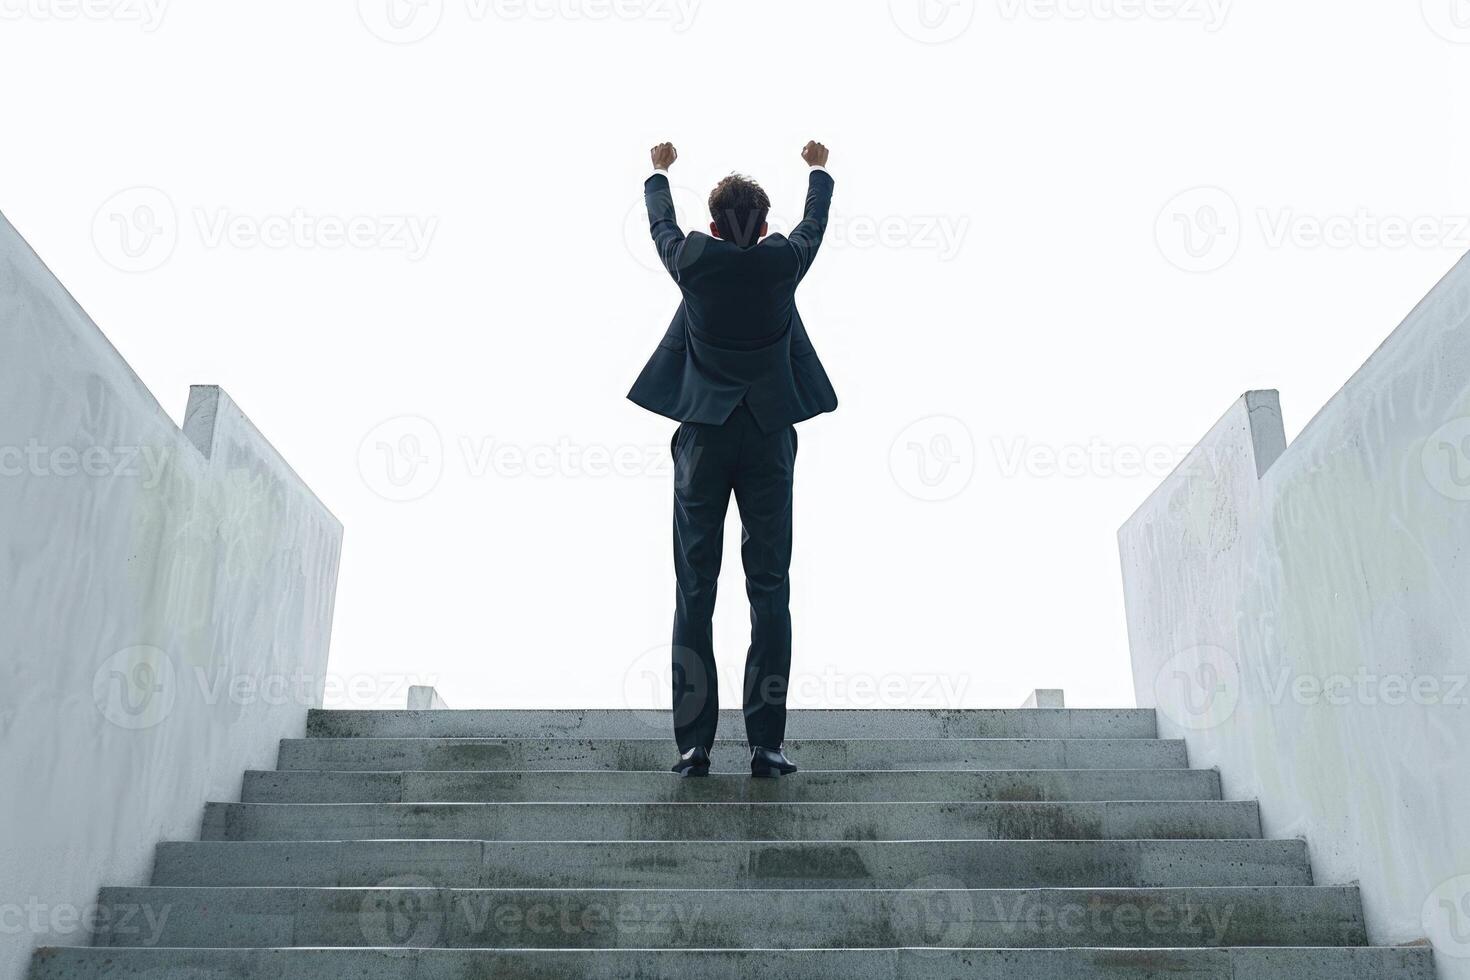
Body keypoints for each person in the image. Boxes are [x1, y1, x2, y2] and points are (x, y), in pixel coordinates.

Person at [627, 140, 838, 778]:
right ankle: (765, 745)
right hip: (769, 434)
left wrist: (660, 174)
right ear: (764, 224)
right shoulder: (780, 263)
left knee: (695, 589)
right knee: (769, 589)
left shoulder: (694, 260)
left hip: (703, 438)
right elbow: (813, 228)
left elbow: (661, 227)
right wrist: (819, 171)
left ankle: (694, 746)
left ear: (714, 227)